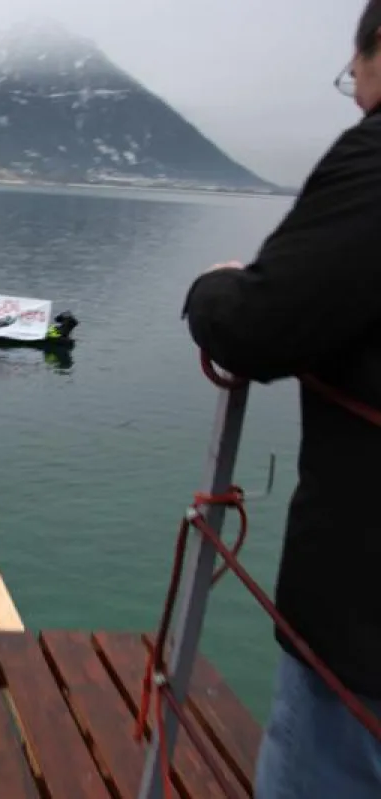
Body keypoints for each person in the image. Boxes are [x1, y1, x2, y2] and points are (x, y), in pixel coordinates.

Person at [182, 3, 381, 795]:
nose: (360, 95)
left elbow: (261, 325)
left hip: (363, 638)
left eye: (354, 74)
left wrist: (213, 289)